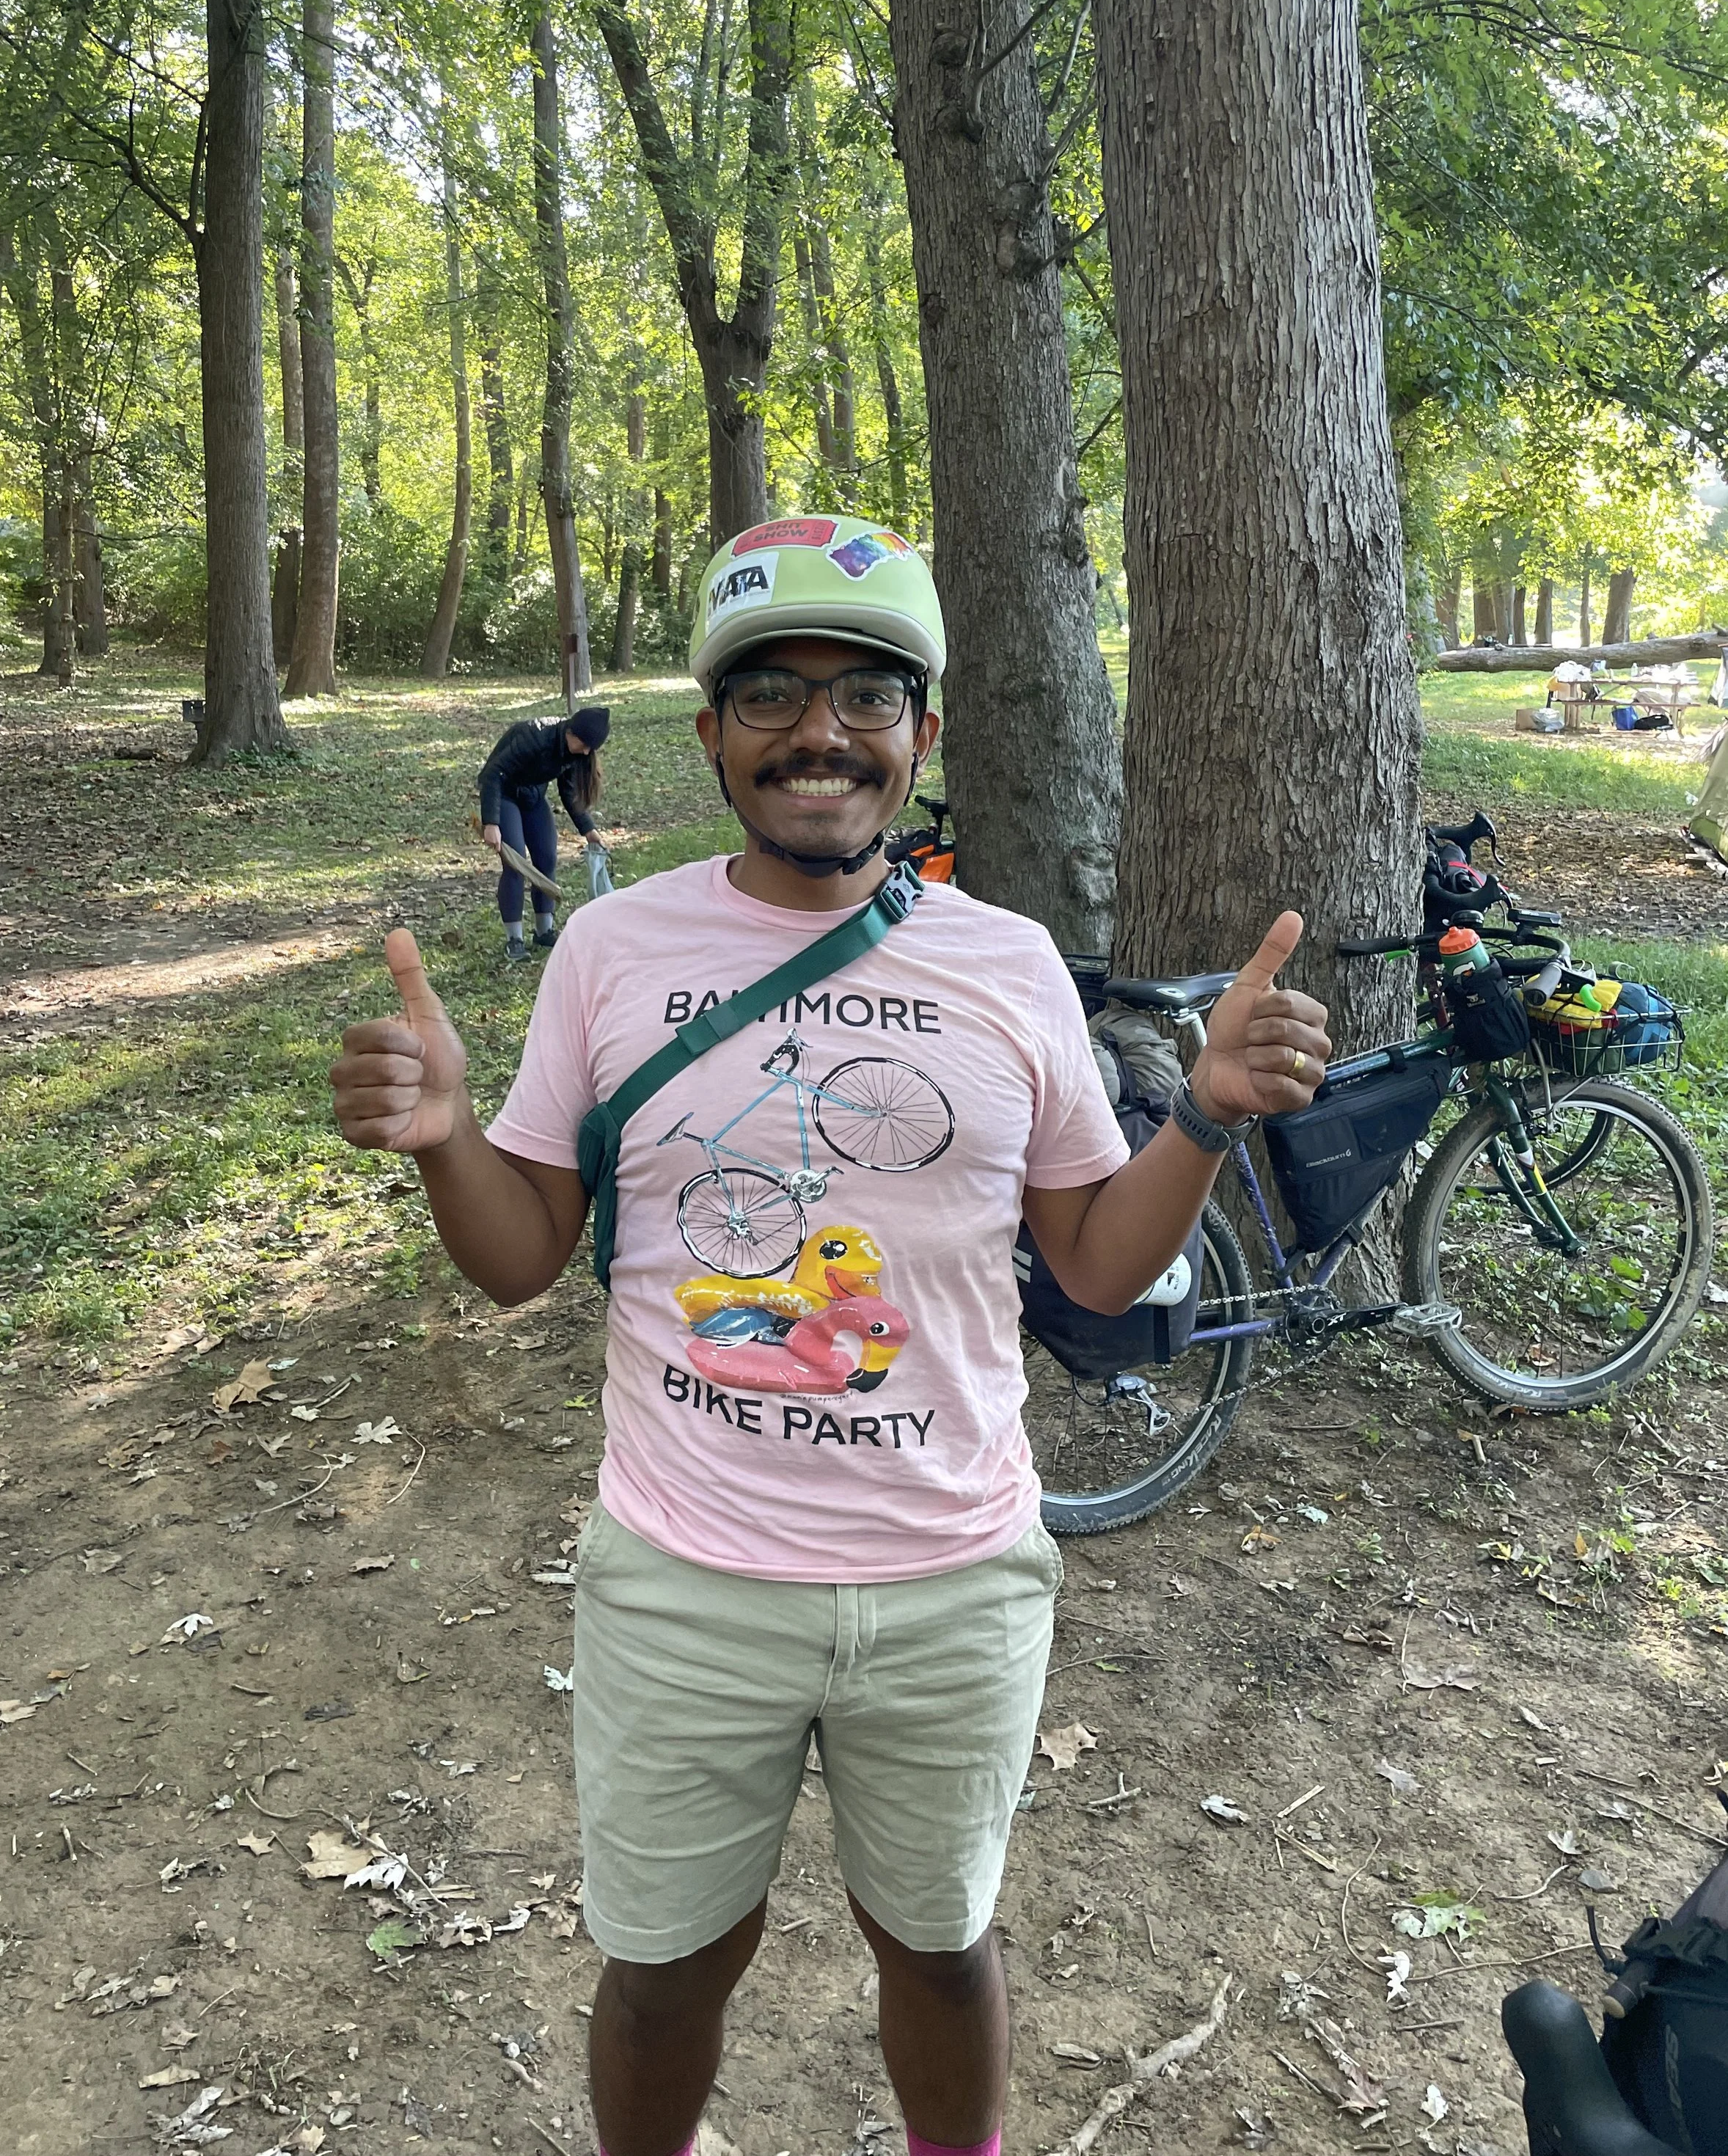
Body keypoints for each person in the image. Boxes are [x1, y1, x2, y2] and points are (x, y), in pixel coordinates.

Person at [329, 516, 1330, 2156]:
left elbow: (1089, 1268)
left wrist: (1205, 1117)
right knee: (664, 1966)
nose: (819, 732)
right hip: (684, 1580)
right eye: (771, 695)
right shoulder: (614, 950)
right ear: (713, 735)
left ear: (919, 737)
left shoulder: (1005, 968)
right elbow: (519, 1262)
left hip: (951, 1576)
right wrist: (448, 1133)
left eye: (866, 695)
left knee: (937, 1945)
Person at [477, 704, 611, 959]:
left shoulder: (575, 753)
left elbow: (569, 792)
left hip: (533, 796)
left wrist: (589, 830)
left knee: (547, 858)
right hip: (504, 794)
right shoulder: (534, 737)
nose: (585, 752)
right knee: (516, 863)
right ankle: (514, 939)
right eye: (583, 743)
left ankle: (544, 932)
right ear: (571, 731)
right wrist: (491, 822)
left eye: (590, 748)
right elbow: (493, 774)